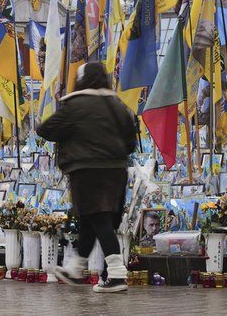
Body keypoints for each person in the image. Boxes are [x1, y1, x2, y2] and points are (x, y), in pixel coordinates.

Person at [37, 62, 137, 293]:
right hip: (116, 171)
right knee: (91, 219)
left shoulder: (76, 105)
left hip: (86, 170)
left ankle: (117, 274)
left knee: (99, 219)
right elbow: (131, 141)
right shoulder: (117, 105)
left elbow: (45, 129)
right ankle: (76, 269)